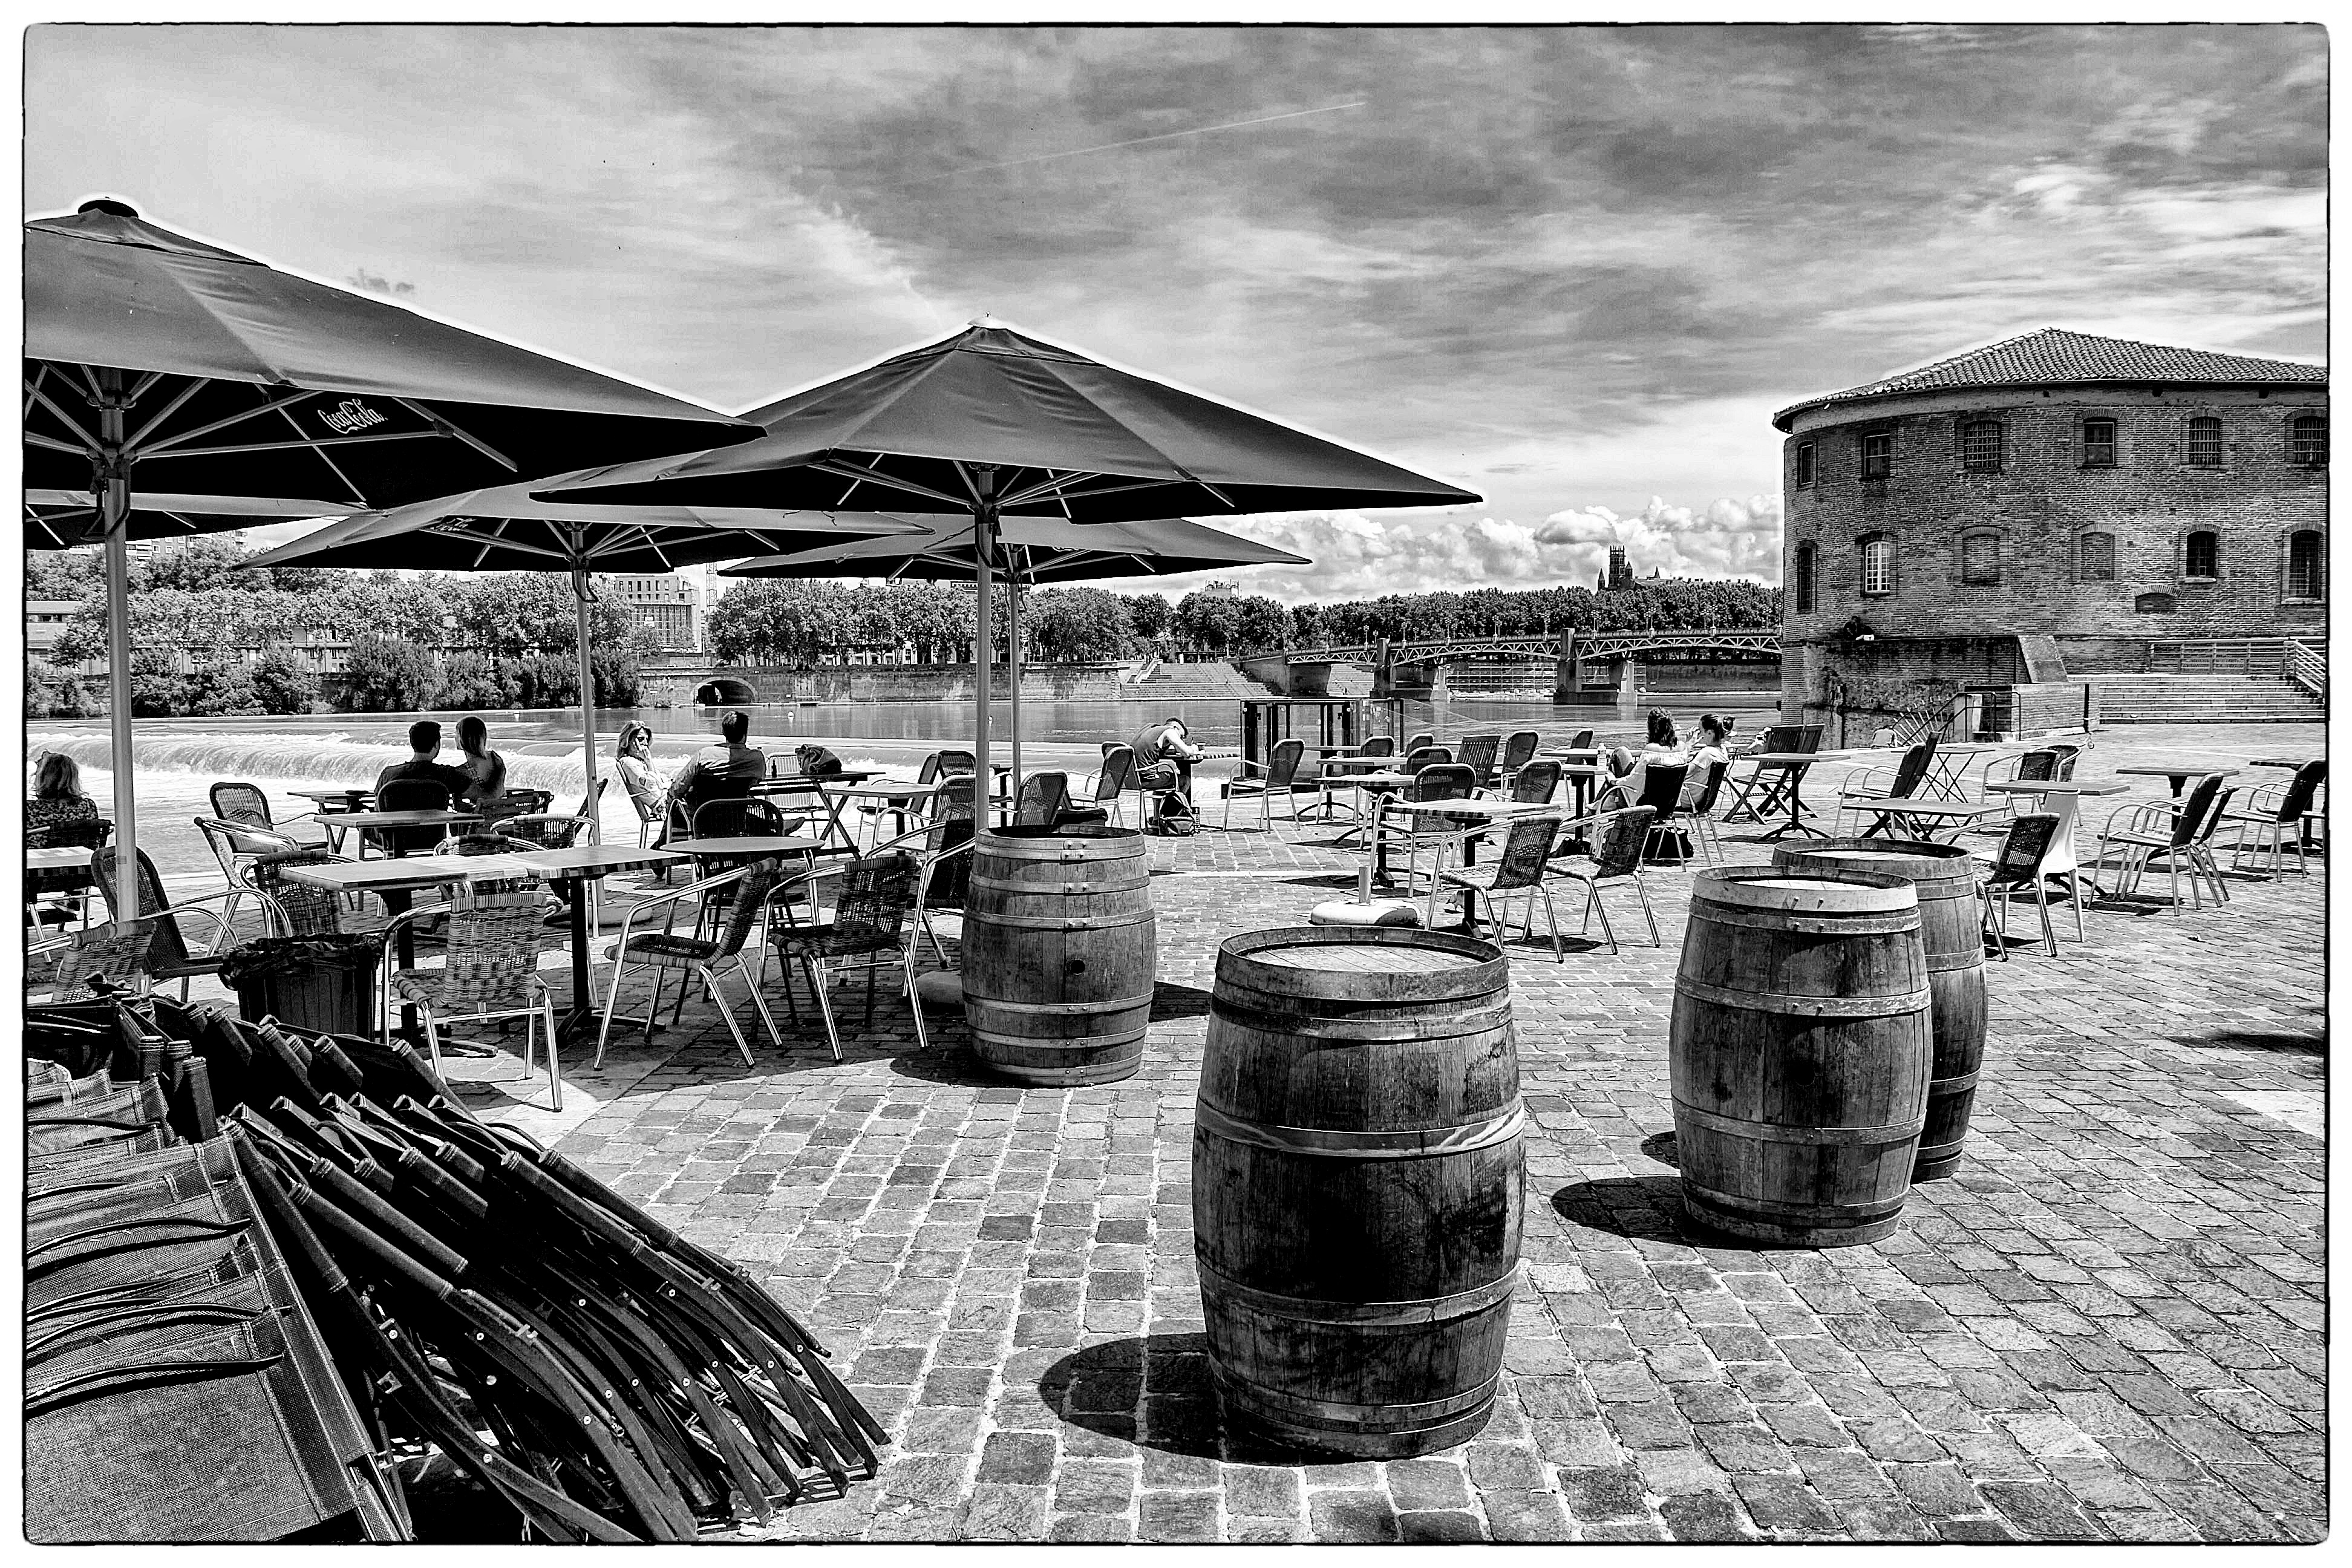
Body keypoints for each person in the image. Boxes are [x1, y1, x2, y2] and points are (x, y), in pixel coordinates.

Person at [667, 710, 768, 828]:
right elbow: (758, 780)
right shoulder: (756, 759)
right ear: (746, 733)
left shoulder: (704, 756)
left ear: (723, 732)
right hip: (736, 821)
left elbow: (677, 788)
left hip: (702, 822)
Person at [1128, 716, 1206, 802]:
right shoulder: (1170, 731)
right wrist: (1194, 749)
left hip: (1129, 780)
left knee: (1162, 783)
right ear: (1175, 728)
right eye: (1181, 737)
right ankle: (1177, 808)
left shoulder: (1148, 728)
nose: (1181, 740)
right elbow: (1186, 753)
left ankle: (1159, 811)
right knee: (1185, 780)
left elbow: (1150, 749)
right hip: (1147, 780)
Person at [28, 752, 99, 829]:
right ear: (73, 778)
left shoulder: (29, 810)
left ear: (43, 779)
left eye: (36, 774)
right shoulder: (87, 807)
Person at [453, 715, 509, 811]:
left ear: (462, 738)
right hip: (503, 814)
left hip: (482, 817)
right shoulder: (495, 759)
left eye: (456, 734)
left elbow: (459, 807)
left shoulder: (462, 772)